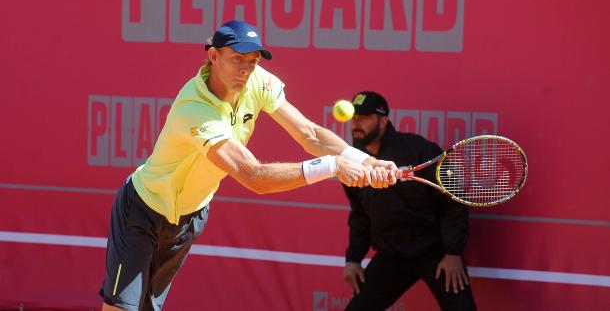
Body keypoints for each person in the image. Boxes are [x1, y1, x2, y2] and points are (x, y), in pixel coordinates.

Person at [99, 21, 398, 311]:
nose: (245, 68)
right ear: (213, 57)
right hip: (143, 210)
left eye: (252, 61)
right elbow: (253, 176)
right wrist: (334, 165)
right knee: (122, 308)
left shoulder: (257, 81)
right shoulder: (195, 110)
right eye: (237, 59)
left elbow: (309, 134)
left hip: (189, 217)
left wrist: (366, 161)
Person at [341, 91, 477, 311]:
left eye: (364, 117)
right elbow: (360, 214)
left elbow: (453, 202)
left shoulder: (419, 150)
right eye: (354, 117)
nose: (356, 123)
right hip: (391, 255)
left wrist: (453, 253)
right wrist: (353, 259)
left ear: (383, 121)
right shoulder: (352, 162)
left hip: (435, 253)